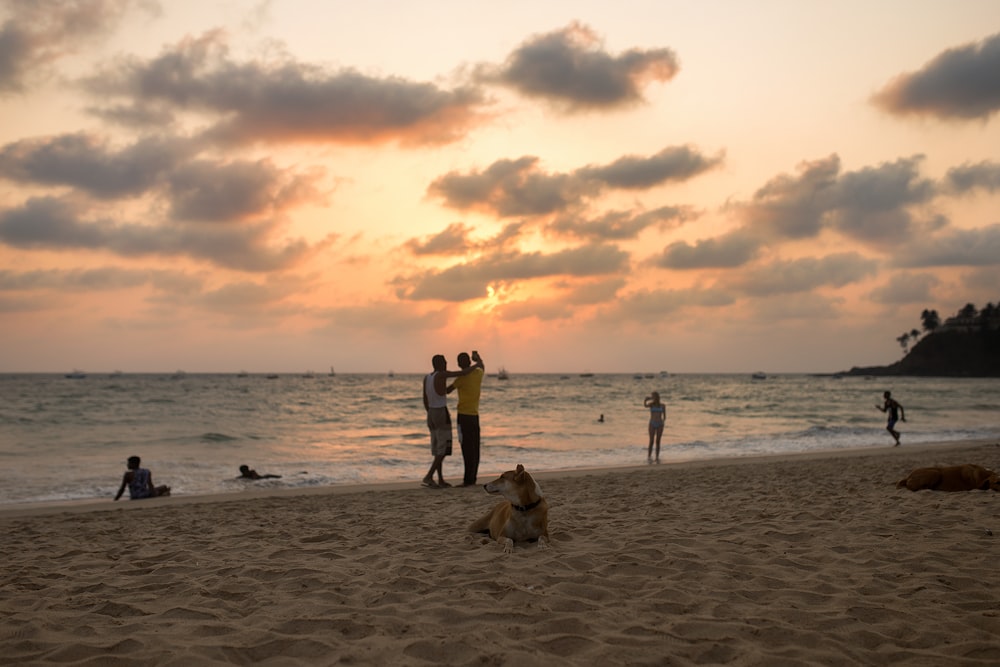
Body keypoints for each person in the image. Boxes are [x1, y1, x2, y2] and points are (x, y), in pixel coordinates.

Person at [422, 353, 482, 489]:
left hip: (430, 412)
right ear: (440, 364)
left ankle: (440, 480)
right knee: (443, 449)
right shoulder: (441, 375)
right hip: (440, 412)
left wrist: (430, 413)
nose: (447, 363)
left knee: (437, 448)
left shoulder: (427, 378)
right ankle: (429, 476)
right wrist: (477, 363)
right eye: (445, 361)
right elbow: (463, 372)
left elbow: (424, 398)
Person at [447, 350, 485, 487]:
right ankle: (472, 478)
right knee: (475, 448)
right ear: (469, 362)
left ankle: (467, 480)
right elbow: (482, 366)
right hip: (475, 416)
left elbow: (447, 390)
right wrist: (478, 359)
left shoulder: (460, 379)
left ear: (458, 364)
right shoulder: (478, 374)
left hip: (463, 417)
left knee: (466, 448)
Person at [644, 392, 666, 463]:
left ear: (657, 397)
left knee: (658, 441)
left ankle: (657, 457)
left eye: (653, 396)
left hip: (660, 424)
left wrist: (662, 422)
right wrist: (645, 400)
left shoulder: (662, 405)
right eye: (652, 396)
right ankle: (649, 457)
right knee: (651, 441)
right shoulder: (651, 405)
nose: (652, 397)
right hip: (652, 423)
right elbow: (645, 406)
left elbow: (664, 416)